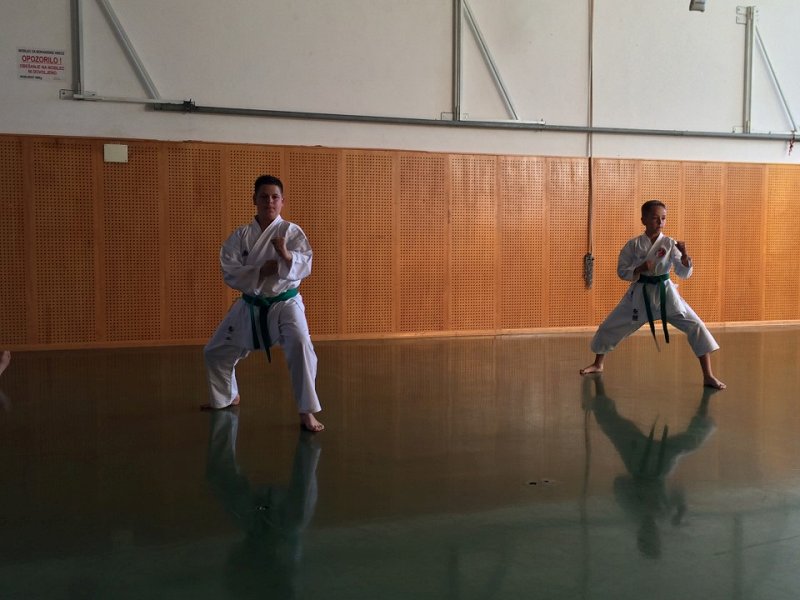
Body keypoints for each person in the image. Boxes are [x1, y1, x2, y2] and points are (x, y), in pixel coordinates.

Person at [202, 175, 325, 432]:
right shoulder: (241, 236)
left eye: (274, 197)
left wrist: (286, 256)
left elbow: (306, 264)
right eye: (264, 197)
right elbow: (229, 269)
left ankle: (307, 411)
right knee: (215, 352)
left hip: (285, 303)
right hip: (250, 303)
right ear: (254, 200)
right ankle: (227, 396)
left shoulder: (291, 231)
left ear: (282, 201)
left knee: (301, 346)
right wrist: (260, 271)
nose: (269, 201)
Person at [580, 200, 725, 389]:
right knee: (610, 326)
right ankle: (598, 363)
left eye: (663, 218)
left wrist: (685, 257)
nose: (660, 222)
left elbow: (683, 273)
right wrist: (639, 268)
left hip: (666, 295)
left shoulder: (670, 243)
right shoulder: (633, 245)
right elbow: (622, 271)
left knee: (696, 325)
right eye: (655, 218)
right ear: (644, 220)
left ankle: (708, 375)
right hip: (640, 295)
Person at [582, 376, 718, 558]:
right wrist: (681, 509)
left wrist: (638, 487)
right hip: (659, 467)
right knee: (693, 440)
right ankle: (706, 398)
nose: (651, 533)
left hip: (638, 463)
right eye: (654, 537)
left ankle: (598, 382)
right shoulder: (663, 514)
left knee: (612, 426)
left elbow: (619, 483)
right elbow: (677, 493)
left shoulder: (632, 510)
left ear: (641, 535)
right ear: (657, 537)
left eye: (647, 537)